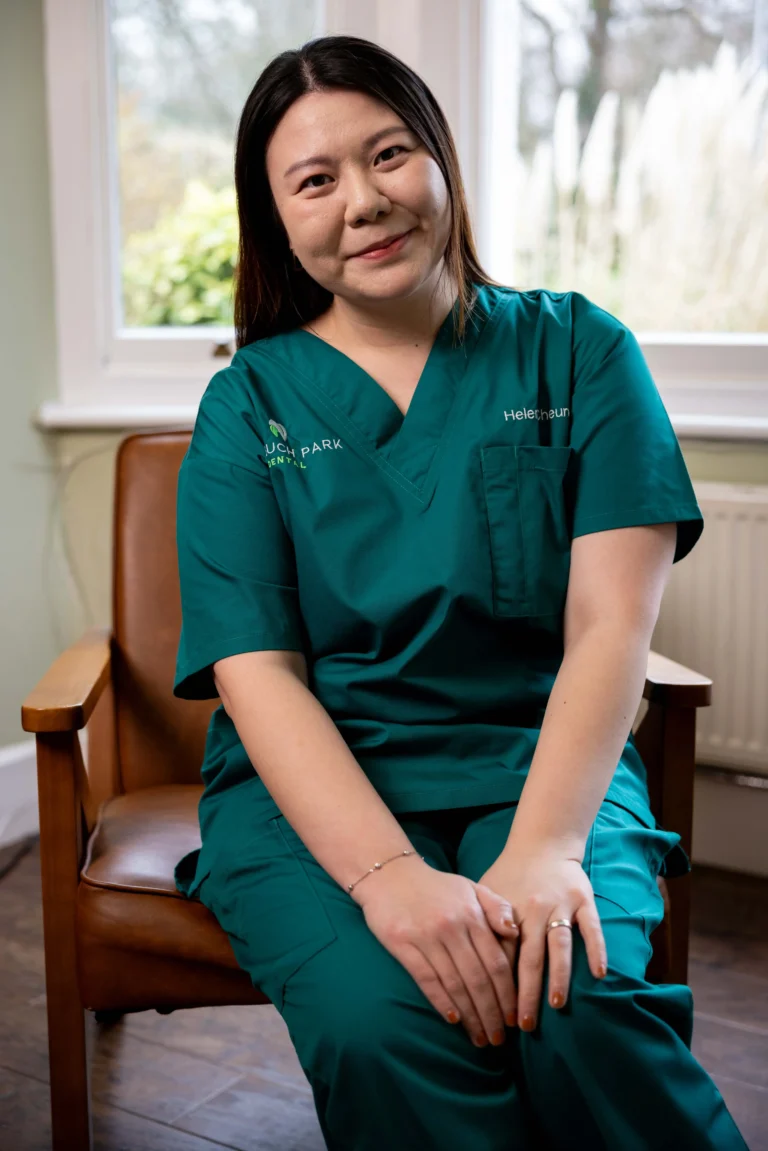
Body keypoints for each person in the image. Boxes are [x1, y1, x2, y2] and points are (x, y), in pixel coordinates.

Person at [172, 33, 749, 1151]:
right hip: (312, 794)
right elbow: (257, 673)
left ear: (439, 156)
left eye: (388, 154)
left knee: (574, 998)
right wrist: (388, 876)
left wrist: (543, 850)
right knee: (383, 1021)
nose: (365, 202)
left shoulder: (581, 350)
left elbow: (609, 625)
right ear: (277, 219)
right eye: (315, 180)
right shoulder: (249, 405)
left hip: (538, 765)